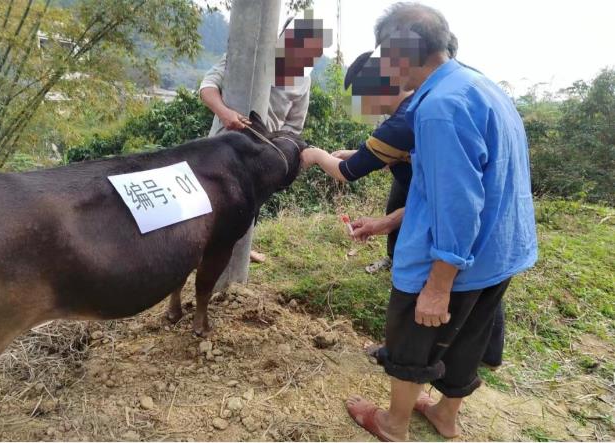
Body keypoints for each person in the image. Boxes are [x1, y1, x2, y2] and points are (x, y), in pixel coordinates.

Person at [339, 3, 537, 440]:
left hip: (455, 255)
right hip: (499, 249)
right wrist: (389, 222)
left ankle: (393, 424)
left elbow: (459, 203)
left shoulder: (438, 109)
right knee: (469, 334)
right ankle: (446, 414)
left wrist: (438, 283)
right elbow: (464, 187)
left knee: (413, 336)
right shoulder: (479, 85)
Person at [301, 34, 506, 371]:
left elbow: (346, 173)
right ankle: (486, 354)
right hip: (472, 212)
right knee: (480, 285)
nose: (363, 106)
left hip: (447, 217)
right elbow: (397, 155)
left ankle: (410, 357)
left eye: (362, 97)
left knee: (441, 286)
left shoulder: (401, 121)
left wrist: (316, 155)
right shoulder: (421, 106)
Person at [199, 13, 330, 262]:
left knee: (250, 204)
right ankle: (200, 248)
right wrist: (226, 114)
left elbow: (294, 125)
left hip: (262, 153)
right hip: (222, 145)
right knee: (211, 199)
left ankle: (241, 252)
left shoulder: (303, 79)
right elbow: (207, 87)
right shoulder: (248, 57)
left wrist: (279, 152)